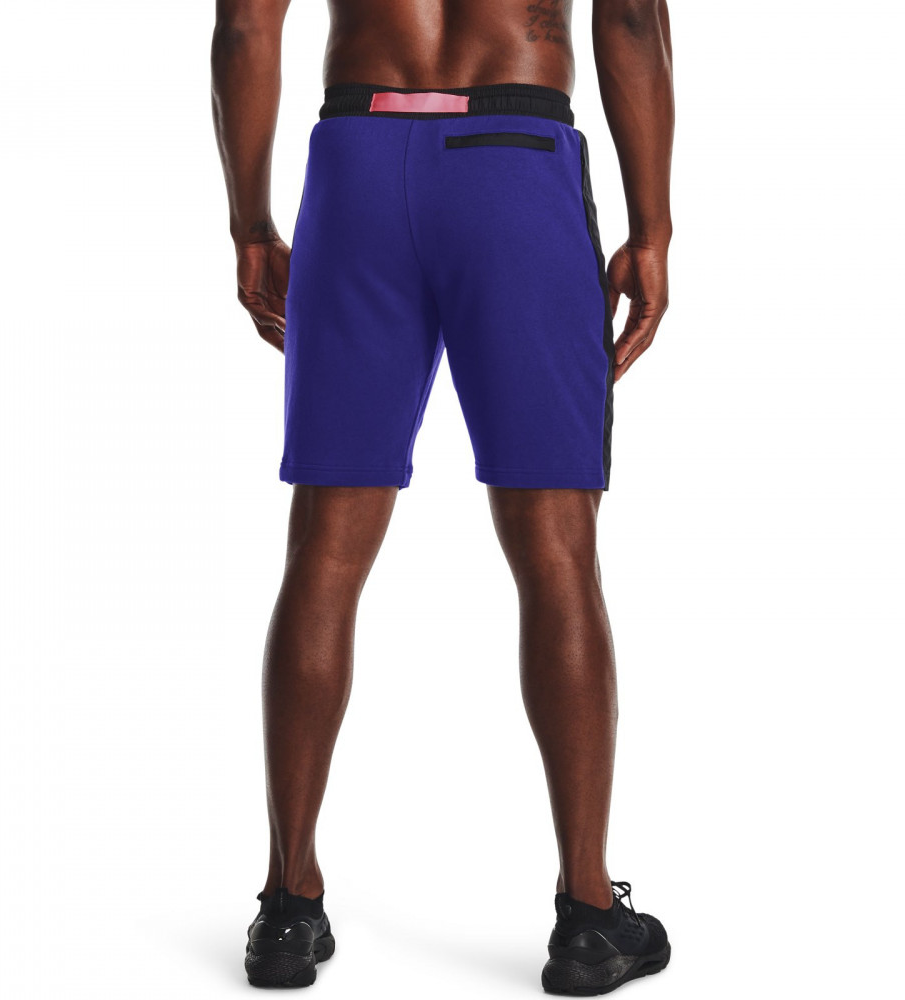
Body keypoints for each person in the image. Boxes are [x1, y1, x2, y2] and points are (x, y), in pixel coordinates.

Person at [211, 0, 674, 993]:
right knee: (556, 553)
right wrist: (652, 226)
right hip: (515, 158)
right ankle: (589, 915)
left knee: (324, 548)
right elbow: (632, 17)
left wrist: (250, 224)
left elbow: (247, 25)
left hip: (358, 160)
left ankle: (288, 903)